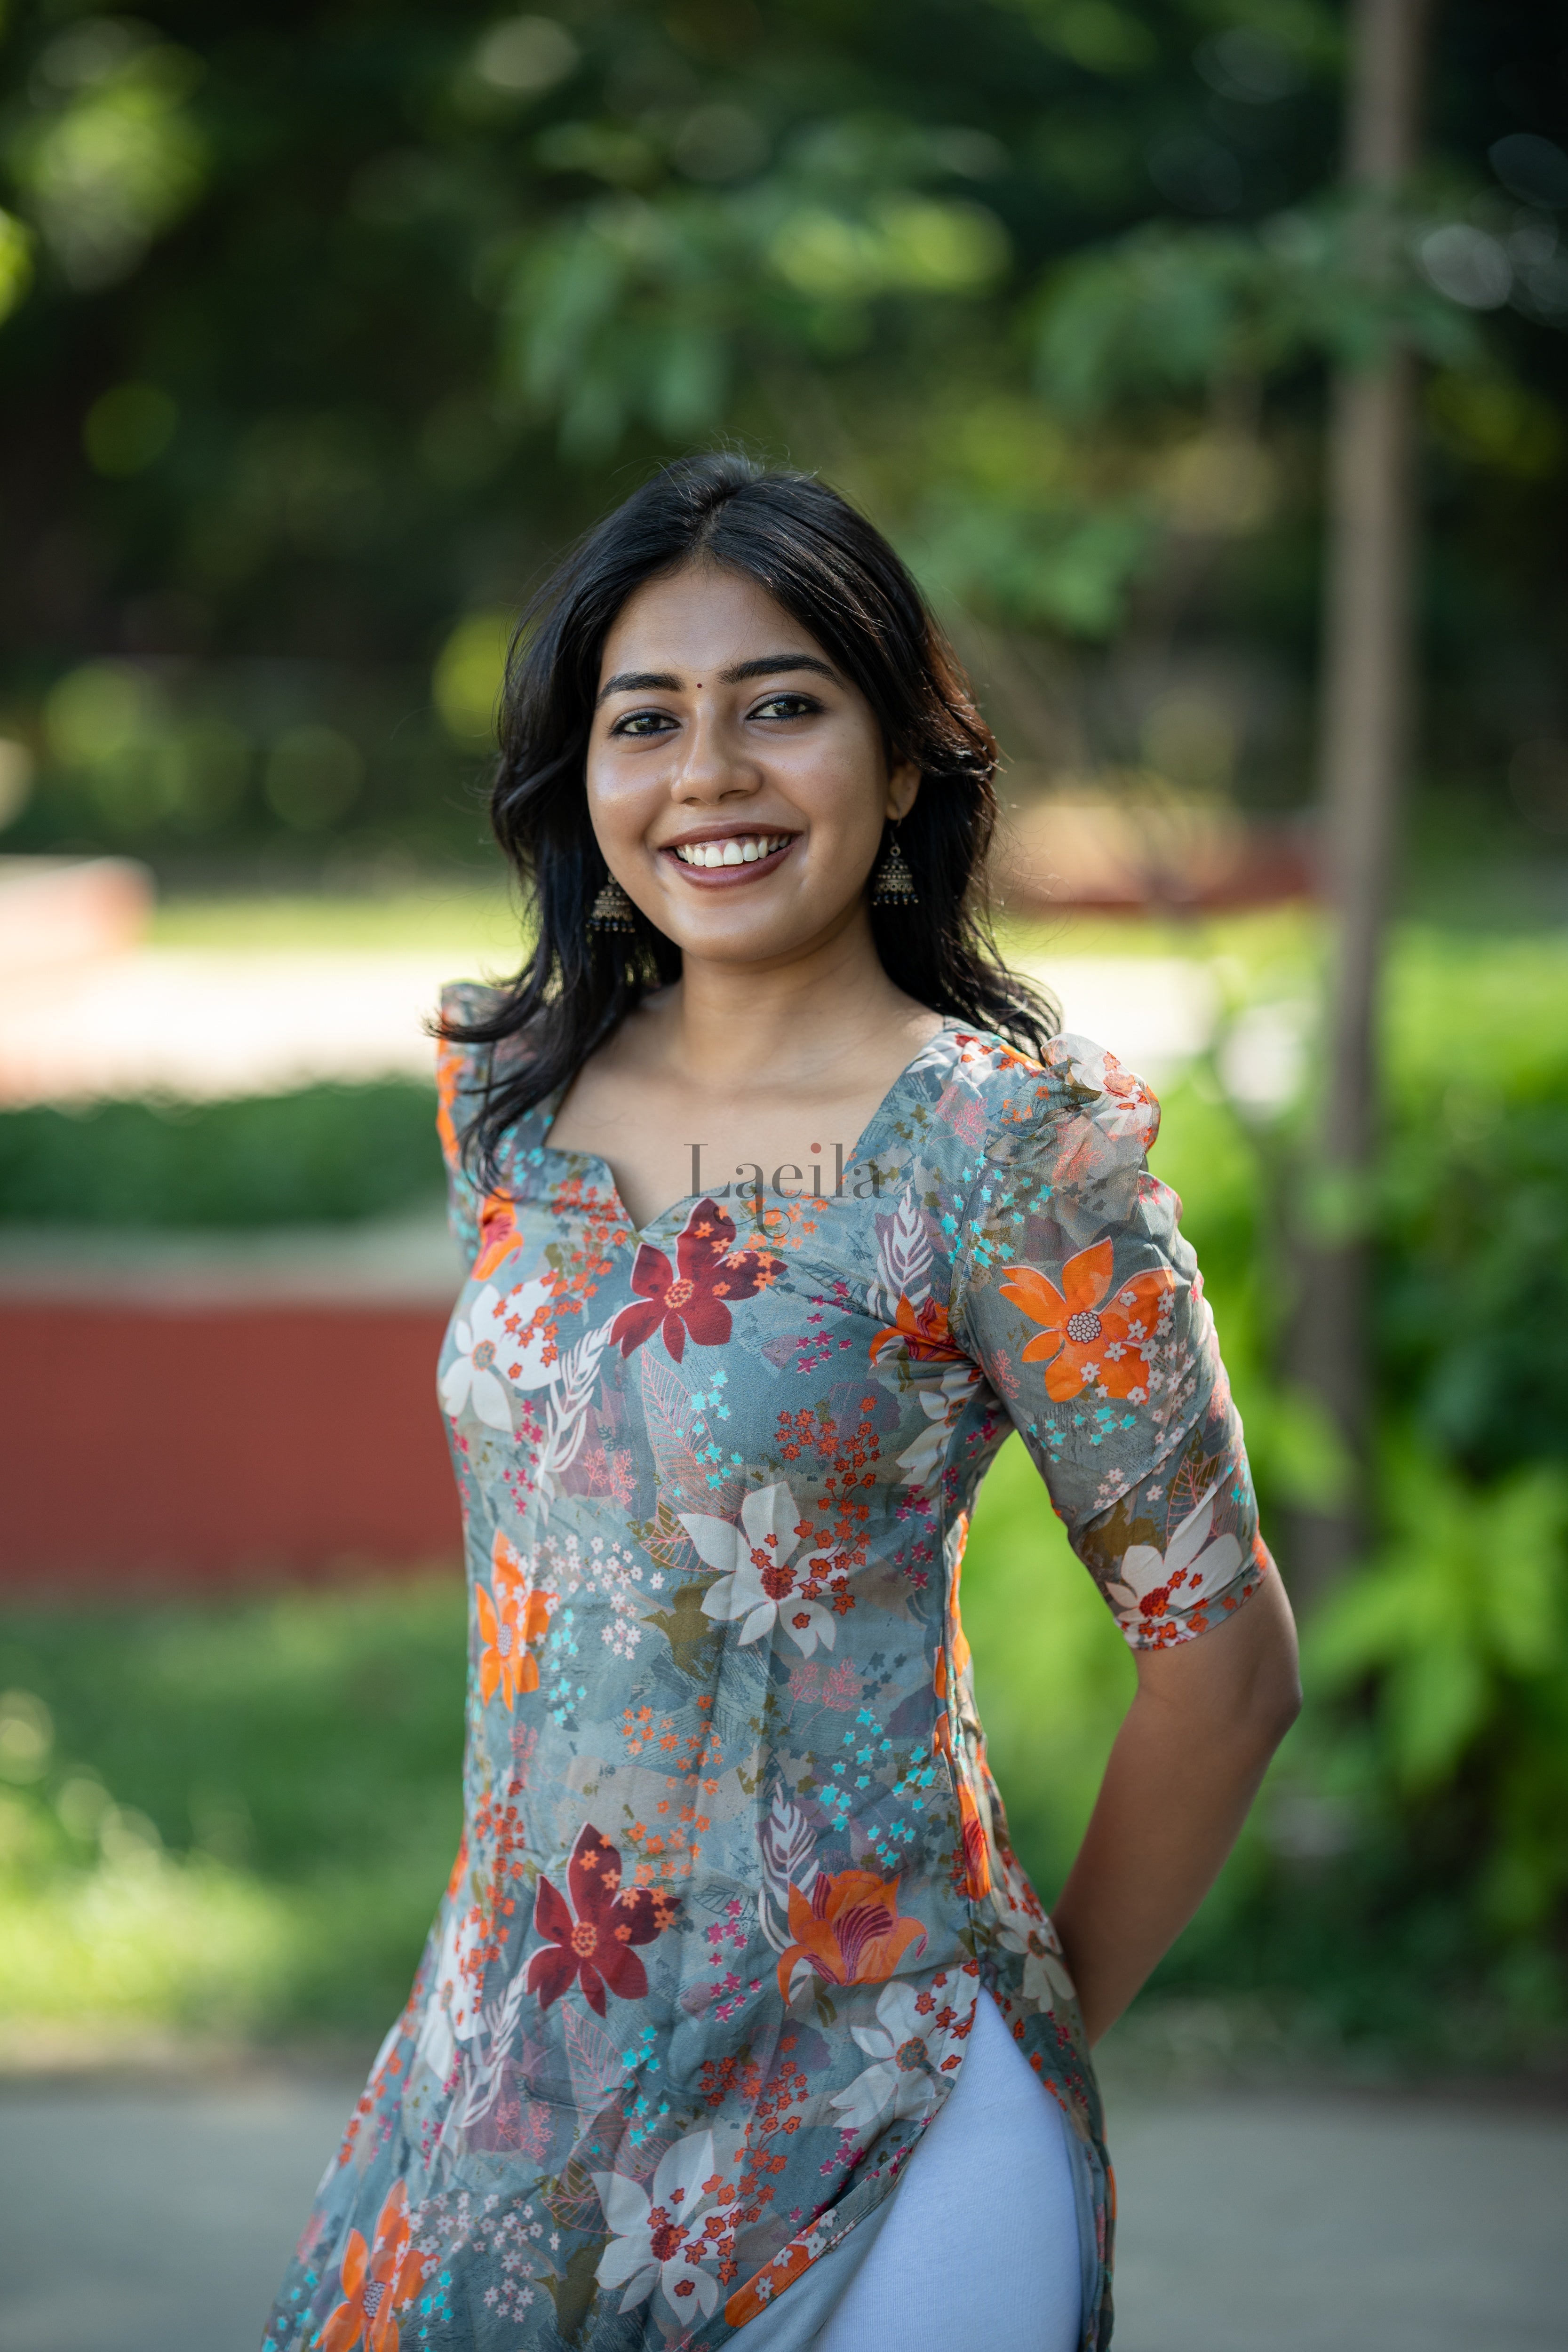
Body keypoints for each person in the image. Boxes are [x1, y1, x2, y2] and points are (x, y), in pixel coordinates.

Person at [265, 454, 1300, 2352]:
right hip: (509, 2086)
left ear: (904, 756)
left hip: (886, 2121)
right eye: (644, 720)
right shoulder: (506, 1100)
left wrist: (1017, 2003)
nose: (708, 776)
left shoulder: (1007, 1151)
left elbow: (1224, 1665)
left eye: (785, 707)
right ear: (580, 774)